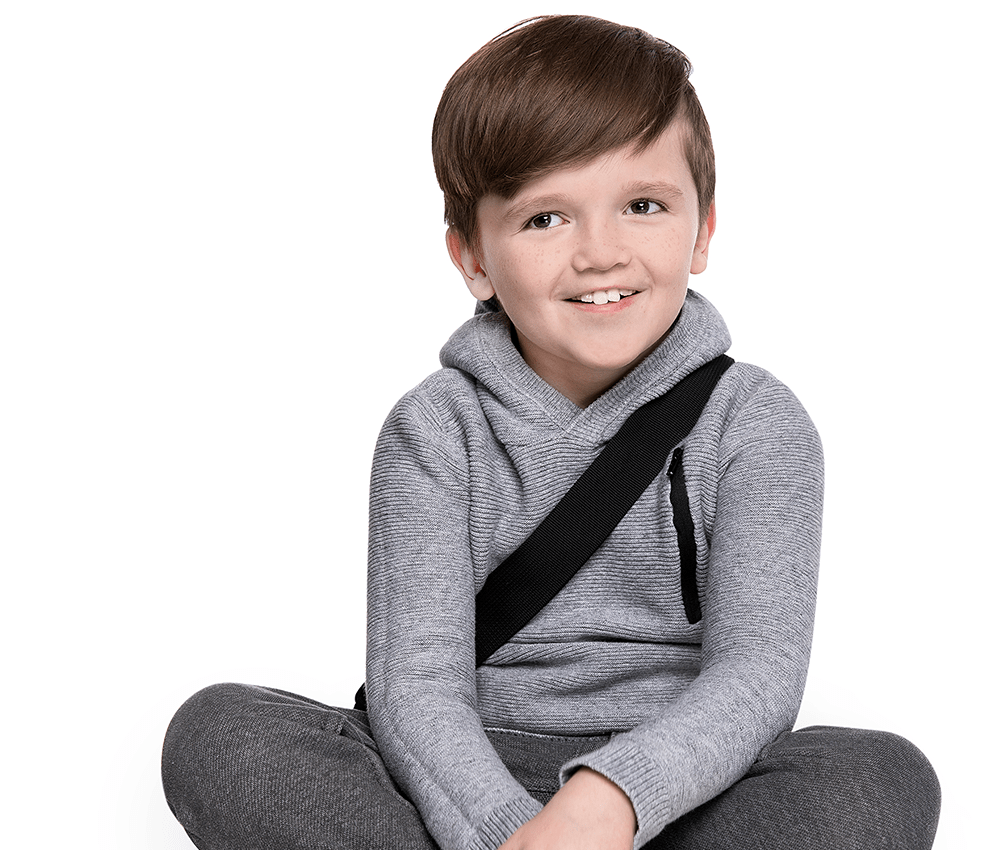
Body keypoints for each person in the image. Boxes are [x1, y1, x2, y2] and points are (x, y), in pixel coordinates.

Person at [162, 15, 940, 850]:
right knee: (221, 732)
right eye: (545, 220)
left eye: (643, 205)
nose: (600, 253)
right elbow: (417, 690)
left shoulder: (755, 421)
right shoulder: (435, 428)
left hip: (674, 791)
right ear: (472, 257)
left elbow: (757, 676)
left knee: (880, 774)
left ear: (703, 230)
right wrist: (512, 833)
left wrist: (612, 801)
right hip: (465, 783)